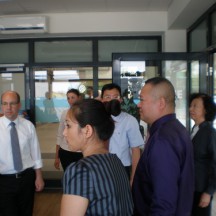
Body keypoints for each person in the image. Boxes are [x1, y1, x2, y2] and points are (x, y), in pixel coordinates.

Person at [132, 77, 194, 215]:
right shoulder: (177, 129)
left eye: (142, 99)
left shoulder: (162, 140)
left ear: (160, 103)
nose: (138, 105)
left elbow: (164, 203)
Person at [60, 99, 133, 216]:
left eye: (68, 125)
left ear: (87, 130)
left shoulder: (80, 170)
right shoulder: (115, 161)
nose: (64, 132)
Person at [0, 90, 44, 216]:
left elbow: (35, 152)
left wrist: (39, 176)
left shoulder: (28, 126)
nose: (8, 107)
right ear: (2, 105)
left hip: (26, 178)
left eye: (12, 103)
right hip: (3, 181)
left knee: (26, 212)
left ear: (19, 105)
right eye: (5, 103)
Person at [101, 83, 144, 185]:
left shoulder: (129, 120)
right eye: (107, 97)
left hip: (122, 168)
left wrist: (133, 178)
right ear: (102, 99)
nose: (112, 100)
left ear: (120, 99)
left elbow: (135, 150)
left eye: (115, 97)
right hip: (100, 167)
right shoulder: (96, 119)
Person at [189, 93, 216, 216]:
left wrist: (209, 192)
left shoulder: (210, 133)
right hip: (190, 187)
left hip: (201, 189)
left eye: (195, 106)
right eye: (191, 105)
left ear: (205, 110)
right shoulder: (194, 129)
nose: (191, 109)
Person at [54, 88, 83, 171]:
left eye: (73, 97)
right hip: (65, 151)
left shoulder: (85, 113)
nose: (70, 100)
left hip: (81, 152)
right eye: (68, 98)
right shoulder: (65, 113)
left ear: (79, 98)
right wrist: (57, 156)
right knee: (68, 177)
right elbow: (60, 135)